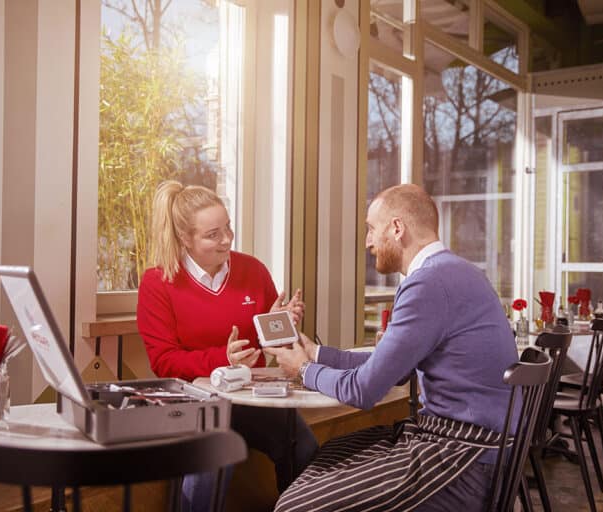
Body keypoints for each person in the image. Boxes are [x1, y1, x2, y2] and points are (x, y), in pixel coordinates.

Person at [265, 184, 518, 512]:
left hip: (464, 456)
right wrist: (314, 353)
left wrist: (302, 369)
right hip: (474, 442)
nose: (368, 241)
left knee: (295, 505)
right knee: (333, 450)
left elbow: (364, 389)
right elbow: (392, 370)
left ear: (397, 228)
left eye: (371, 229)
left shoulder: (427, 284)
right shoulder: (458, 271)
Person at [137, 180, 318, 512]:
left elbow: (269, 343)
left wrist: (281, 322)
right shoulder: (157, 282)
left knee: (303, 444)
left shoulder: (253, 269)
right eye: (213, 234)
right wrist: (223, 358)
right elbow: (163, 361)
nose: (226, 240)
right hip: (195, 402)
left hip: (248, 396)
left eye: (228, 228)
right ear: (184, 239)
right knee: (212, 459)